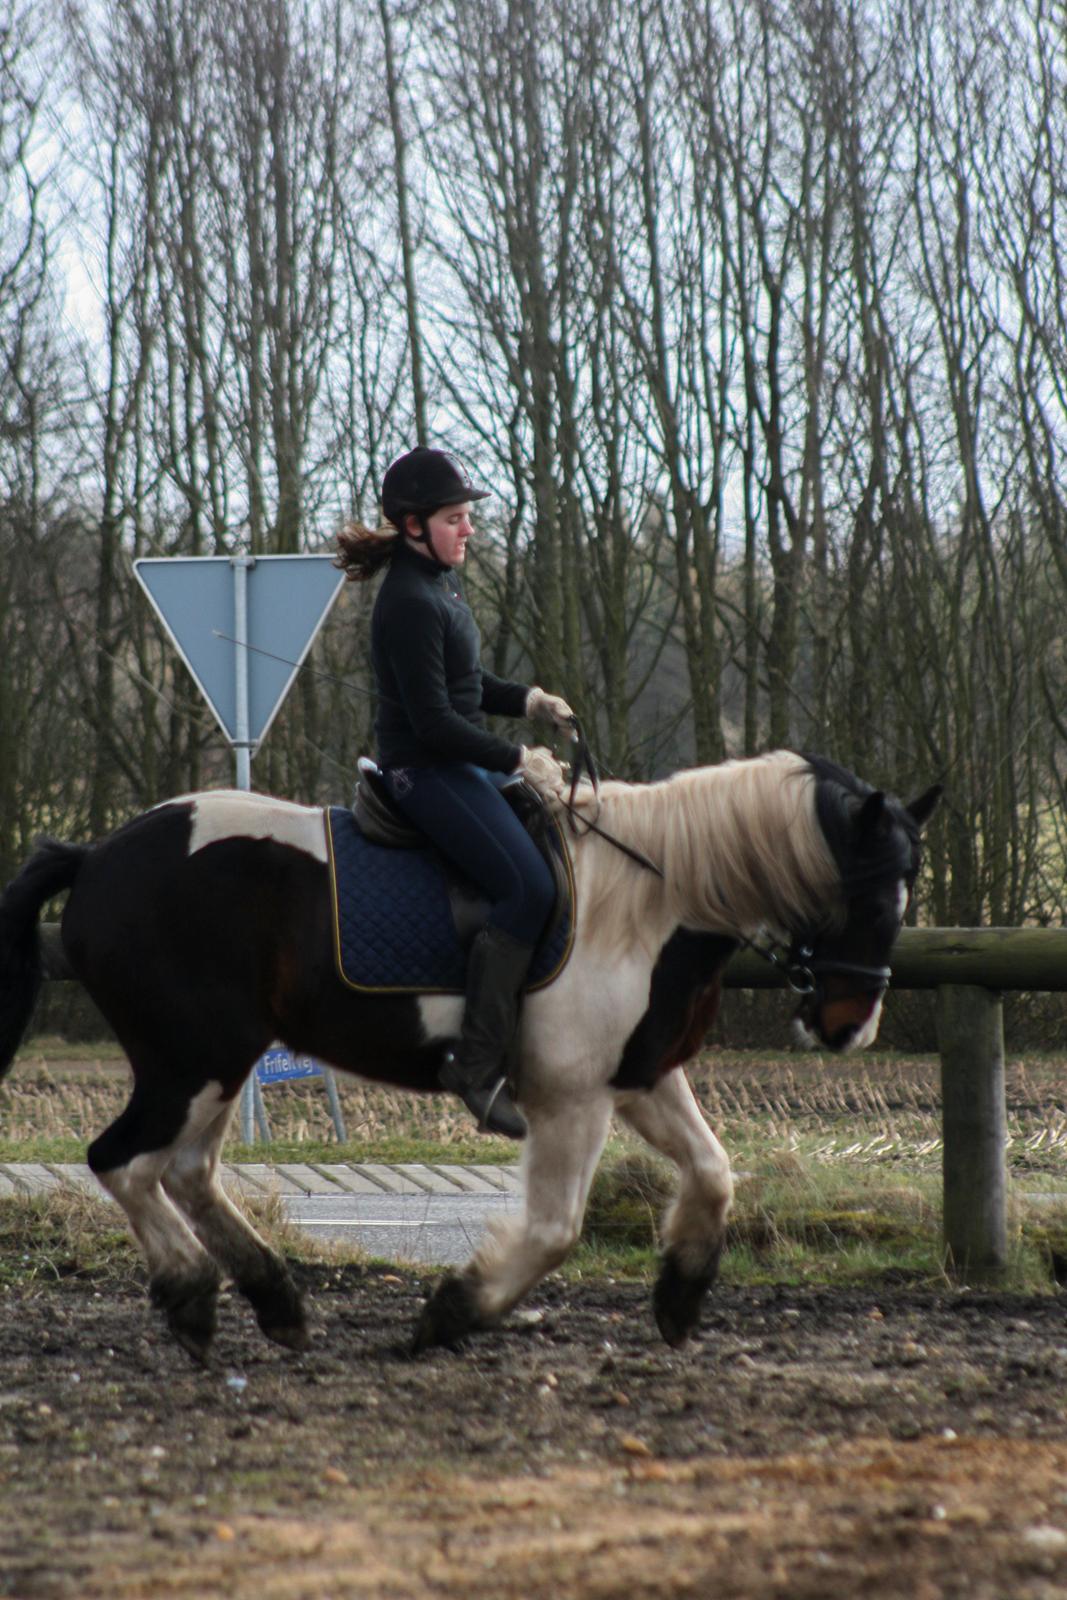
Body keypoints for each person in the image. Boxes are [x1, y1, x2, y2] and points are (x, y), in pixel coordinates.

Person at [335, 446, 574, 1139]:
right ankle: (473, 1067)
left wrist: (528, 699)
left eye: (467, 517)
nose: (468, 529)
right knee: (529, 891)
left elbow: (464, 687)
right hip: (425, 774)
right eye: (455, 518)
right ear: (414, 526)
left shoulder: (438, 586)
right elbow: (437, 724)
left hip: (456, 765)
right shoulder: (409, 601)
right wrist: (517, 759)